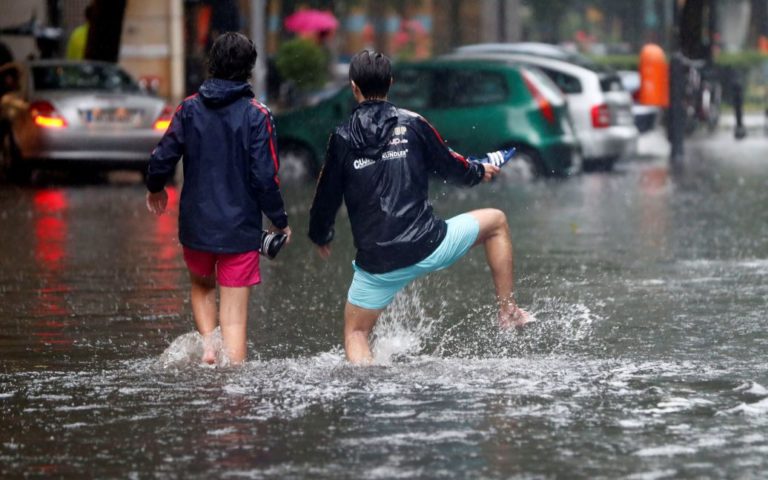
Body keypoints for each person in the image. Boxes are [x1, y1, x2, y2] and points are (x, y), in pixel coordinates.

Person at [308, 50, 532, 365]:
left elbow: (326, 194)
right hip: (429, 244)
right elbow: (451, 166)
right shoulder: (413, 124)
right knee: (496, 222)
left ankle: (367, 392)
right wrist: (480, 172)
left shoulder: (341, 137)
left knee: (356, 334)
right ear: (390, 83)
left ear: (353, 86)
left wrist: (322, 234)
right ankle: (508, 310)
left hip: (377, 265)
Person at [146, 32, 290, 365]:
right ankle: (233, 391)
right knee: (235, 319)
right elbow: (265, 177)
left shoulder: (189, 109)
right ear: (249, 69)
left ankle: (209, 345)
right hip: (240, 231)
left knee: (202, 285)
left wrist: (155, 187)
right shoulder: (258, 115)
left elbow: (161, 157)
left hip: (196, 227)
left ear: (212, 64)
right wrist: (280, 221)